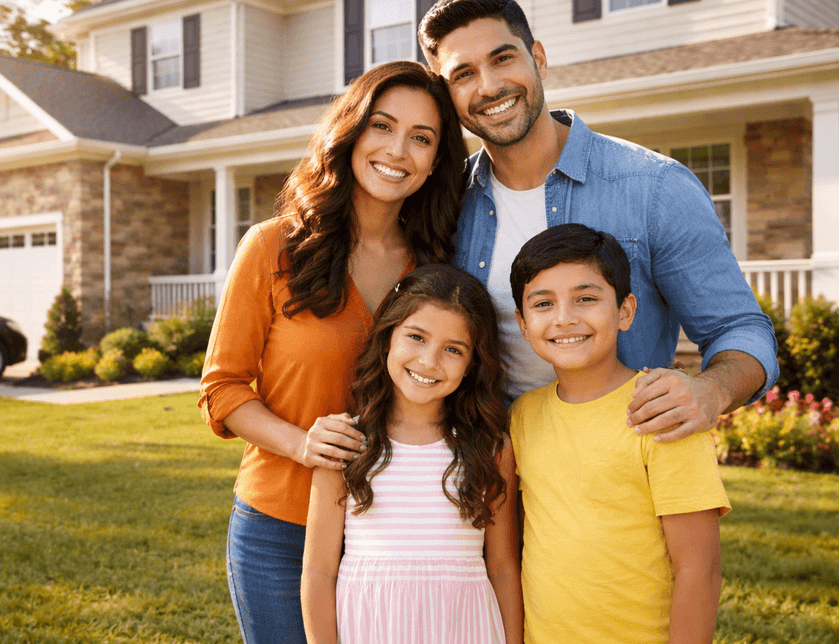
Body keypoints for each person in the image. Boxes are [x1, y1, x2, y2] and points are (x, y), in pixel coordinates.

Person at [418, 0, 778, 442]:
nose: (489, 87)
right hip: (491, 476)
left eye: (503, 58)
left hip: (621, 474)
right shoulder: (446, 204)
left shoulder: (656, 187)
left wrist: (711, 390)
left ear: (539, 59)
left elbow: (739, 328)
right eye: (463, 74)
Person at [198, 60, 469, 644]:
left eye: (422, 138)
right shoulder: (273, 246)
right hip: (282, 529)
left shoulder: (436, 267)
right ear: (350, 132)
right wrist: (304, 444)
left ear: (436, 160)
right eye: (382, 126)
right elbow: (221, 389)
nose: (398, 150)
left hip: (397, 529)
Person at [509, 223, 730, 644]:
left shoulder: (661, 410)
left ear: (626, 311)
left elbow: (698, 568)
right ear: (522, 322)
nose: (565, 318)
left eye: (586, 299)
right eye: (543, 303)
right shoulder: (523, 415)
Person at [301, 264, 521, 644]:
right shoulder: (346, 442)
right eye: (416, 337)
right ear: (388, 338)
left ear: (472, 366)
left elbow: (502, 567)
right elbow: (319, 571)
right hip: (371, 627)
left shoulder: (491, 447)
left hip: (464, 628)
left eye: (453, 349)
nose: (429, 361)